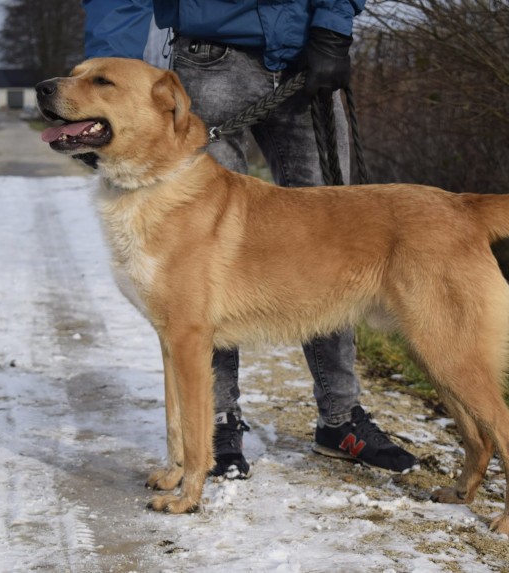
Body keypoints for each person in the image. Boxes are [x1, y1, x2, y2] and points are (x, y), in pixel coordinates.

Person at [82, 0, 416, 479]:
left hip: (307, 50)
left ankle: (340, 418)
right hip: (211, 56)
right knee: (197, 266)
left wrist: (332, 27)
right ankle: (214, 423)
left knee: (339, 244)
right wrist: (104, 91)